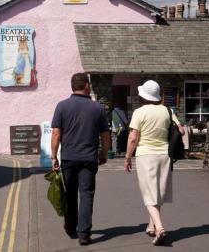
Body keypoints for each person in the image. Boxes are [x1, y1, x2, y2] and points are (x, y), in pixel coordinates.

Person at [50, 73, 111, 245]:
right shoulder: (97, 108)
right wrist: (104, 153)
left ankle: (70, 227)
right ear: (85, 86)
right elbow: (105, 136)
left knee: (70, 194)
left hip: (68, 158)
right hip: (88, 159)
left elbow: (55, 134)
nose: (90, 87)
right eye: (89, 84)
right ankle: (84, 233)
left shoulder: (62, 106)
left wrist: (54, 156)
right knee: (86, 195)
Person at [124, 80, 185, 246]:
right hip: (164, 154)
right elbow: (182, 130)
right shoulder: (167, 110)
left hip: (146, 155)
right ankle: (151, 226)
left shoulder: (139, 112)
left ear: (143, 95)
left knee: (148, 194)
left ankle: (159, 228)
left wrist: (128, 157)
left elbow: (133, 137)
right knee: (157, 192)